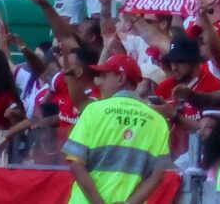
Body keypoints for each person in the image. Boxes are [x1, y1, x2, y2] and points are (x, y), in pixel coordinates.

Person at [60, 56, 171, 204]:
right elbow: (157, 176)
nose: (99, 82)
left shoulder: (94, 110)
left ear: (121, 78)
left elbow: (75, 164)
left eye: (104, 76)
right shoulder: (158, 121)